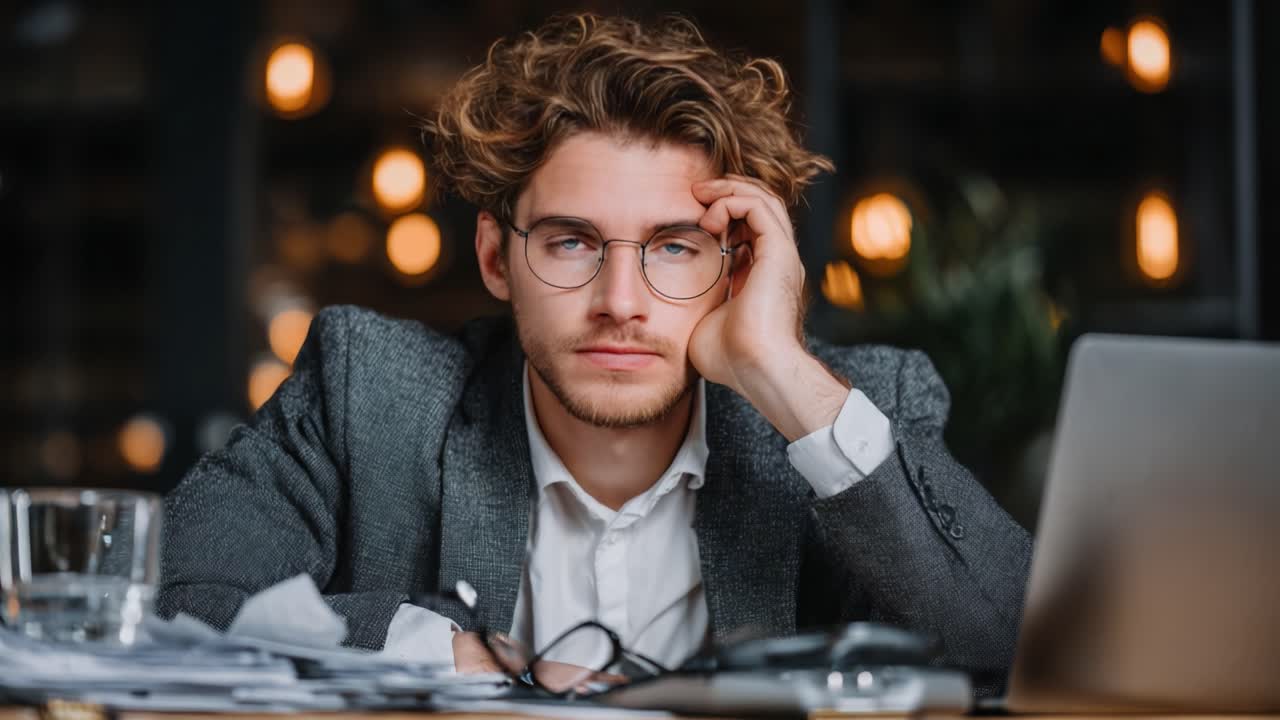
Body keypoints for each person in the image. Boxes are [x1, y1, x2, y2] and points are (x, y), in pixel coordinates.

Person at [159, 12, 1031, 695]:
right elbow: (171, 601)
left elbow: (1016, 649)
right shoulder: (368, 391)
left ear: (736, 266)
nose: (620, 301)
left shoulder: (852, 411)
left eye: (675, 247)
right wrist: (453, 658)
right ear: (496, 258)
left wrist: (781, 368)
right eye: (572, 242)